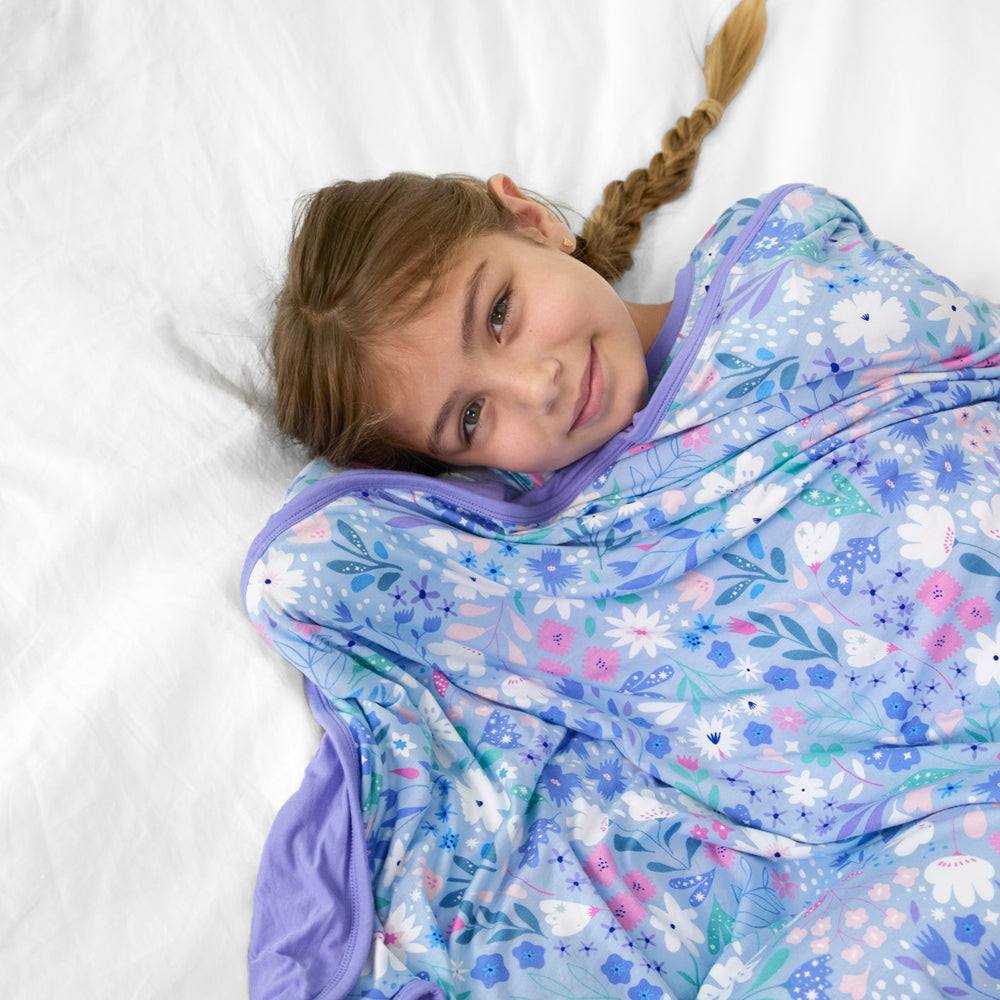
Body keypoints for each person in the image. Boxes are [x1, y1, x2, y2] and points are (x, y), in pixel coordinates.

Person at [244, 1, 1000, 997]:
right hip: (914, 849)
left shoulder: (780, 269)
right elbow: (327, 569)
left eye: (501, 314)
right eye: (470, 419)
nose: (538, 384)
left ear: (528, 217)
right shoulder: (550, 556)